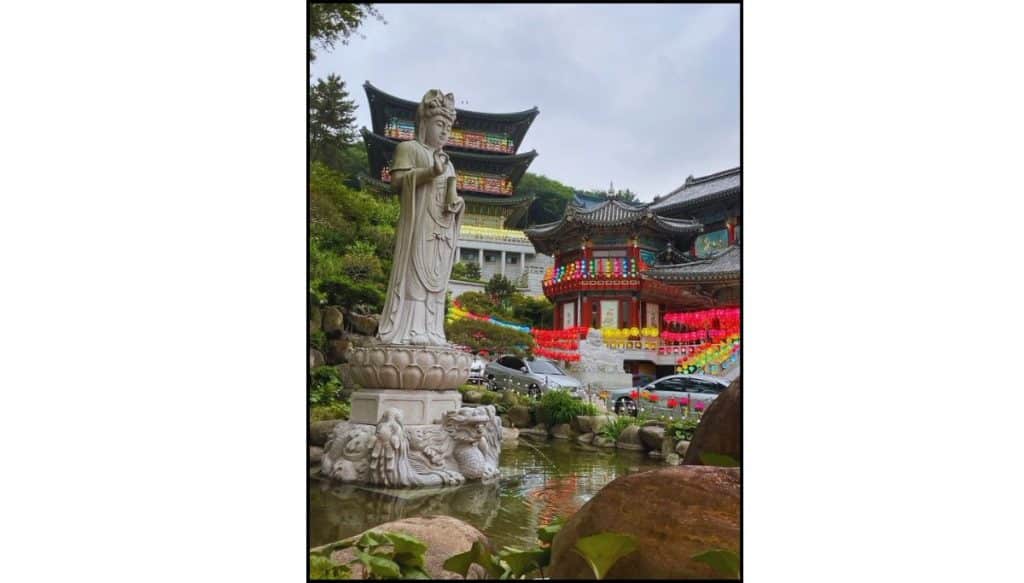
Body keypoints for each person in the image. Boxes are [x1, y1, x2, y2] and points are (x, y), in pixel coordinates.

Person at [377, 90, 465, 346]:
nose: (445, 132)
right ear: (424, 123)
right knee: (415, 276)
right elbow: (397, 181)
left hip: (440, 228)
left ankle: (433, 330)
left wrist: (457, 204)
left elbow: (451, 195)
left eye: (448, 127)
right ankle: (410, 331)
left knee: (436, 280)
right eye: (439, 124)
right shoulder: (409, 148)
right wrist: (429, 172)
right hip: (418, 224)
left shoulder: (449, 164)